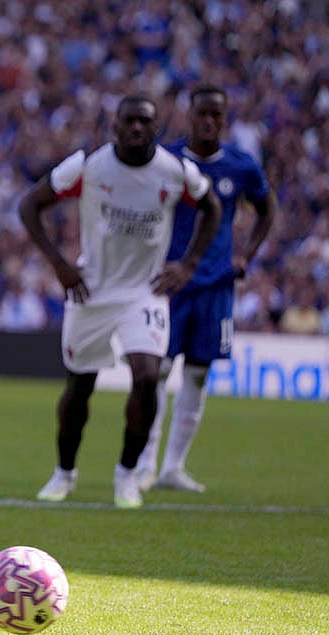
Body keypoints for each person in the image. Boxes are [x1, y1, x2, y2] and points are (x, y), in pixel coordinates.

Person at [17, 94, 221, 509]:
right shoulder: (89, 167)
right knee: (80, 386)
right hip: (91, 289)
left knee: (147, 375)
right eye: (129, 122)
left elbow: (212, 206)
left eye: (145, 122)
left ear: (156, 128)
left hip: (144, 292)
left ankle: (127, 475)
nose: (136, 129)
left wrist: (188, 265)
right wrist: (58, 263)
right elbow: (29, 205)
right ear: (115, 127)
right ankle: (64, 473)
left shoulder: (176, 170)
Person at [135, 85, 277, 492]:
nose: (210, 121)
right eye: (203, 114)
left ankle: (172, 468)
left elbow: (268, 208)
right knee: (157, 373)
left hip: (216, 285)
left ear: (225, 118)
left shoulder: (241, 166)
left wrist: (247, 253)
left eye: (217, 114)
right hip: (169, 283)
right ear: (190, 115)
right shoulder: (168, 160)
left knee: (197, 375)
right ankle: (145, 464)